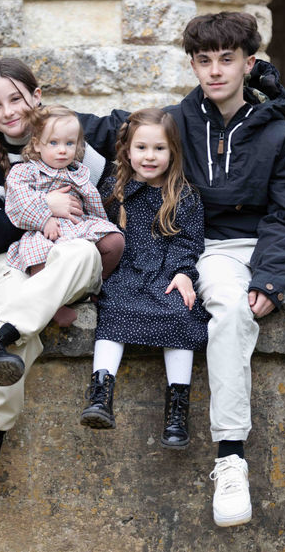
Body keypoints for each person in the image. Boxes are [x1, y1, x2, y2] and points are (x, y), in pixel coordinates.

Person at [74, 12, 285, 524]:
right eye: (204, 60)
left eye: (227, 59)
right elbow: (101, 127)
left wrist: (270, 278)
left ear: (248, 64)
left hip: (277, 247)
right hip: (214, 250)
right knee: (228, 311)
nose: (214, 70)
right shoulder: (177, 123)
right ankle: (230, 459)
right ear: (193, 64)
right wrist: (23, 120)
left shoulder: (279, 135)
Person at [0, 58, 107, 483]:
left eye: (16, 99)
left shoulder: (69, 140)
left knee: (83, 254)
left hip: (66, 261)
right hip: (9, 261)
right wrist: (44, 208)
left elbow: (127, 148)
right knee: (10, 302)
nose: (8, 112)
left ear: (36, 96)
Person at [79, 108, 209, 449]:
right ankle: (100, 393)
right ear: (127, 150)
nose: (149, 156)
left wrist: (183, 273)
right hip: (125, 273)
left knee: (181, 311)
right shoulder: (114, 189)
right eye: (141, 148)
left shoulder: (184, 195)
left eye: (159, 149)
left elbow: (188, 242)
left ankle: (177, 408)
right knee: (113, 308)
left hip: (165, 273)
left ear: (173, 152)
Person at [4, 104, 124, 325]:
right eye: (53, 143)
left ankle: (99, 285)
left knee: (115, 241)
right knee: (39, 255)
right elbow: (18, 200)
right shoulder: (25, 171)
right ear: (37, 144)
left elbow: (93, 203)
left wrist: (99, 225)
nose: (62, 150)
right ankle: (53, 304)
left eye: (69, 143)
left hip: (77, 226)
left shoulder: (79, 171)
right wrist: (44, 218)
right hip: (46, 231)